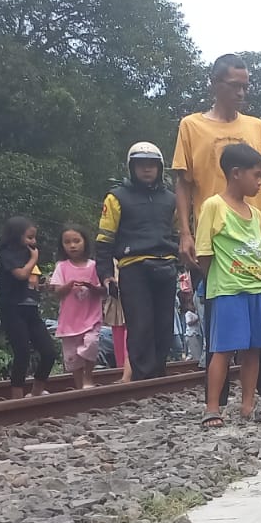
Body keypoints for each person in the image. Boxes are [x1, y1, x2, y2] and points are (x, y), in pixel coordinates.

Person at [173, 53, 261, 412]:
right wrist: (185, 233)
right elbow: (182, 181)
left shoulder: (256, 126)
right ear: (215, 83)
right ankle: (216, 399)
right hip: (215, 230)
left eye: (245, 86)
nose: (241, 93)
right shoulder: (191, 125)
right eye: (234, 86)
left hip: (258, 228)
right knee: (219, 313)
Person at [196, 143, 261, 426]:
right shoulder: (214, 206)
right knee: (224, 349)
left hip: (258, 288)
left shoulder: (255, 213)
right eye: (256, 175)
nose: (259, 182)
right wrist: (217, 279)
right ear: (236, 173)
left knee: (254, 348)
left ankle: (247, 405)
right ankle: (213, 407)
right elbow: (204, 252)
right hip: (229, 290)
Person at [96, 142, 181, 381]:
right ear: (131, 167)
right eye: (141, 164)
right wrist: (105, 273)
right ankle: (142, 378)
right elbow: (104, 238)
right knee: (140, 324)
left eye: (152, 165)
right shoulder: (116, 198)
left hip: (166, 265)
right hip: (134, 266)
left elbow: (178, 233)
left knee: (164, 325)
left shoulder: (171, 200)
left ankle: (157, 374)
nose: (147, 169)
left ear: (160, 168)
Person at [0, 216, 56, 398]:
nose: (34, 242)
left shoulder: (27, 255)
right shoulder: (8, 254)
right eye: (29, 237)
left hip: (31, 309)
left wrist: (44, 285)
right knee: (22, 352)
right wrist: (34, 259)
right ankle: (17, 397)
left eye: (34, 238)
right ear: (16, 236)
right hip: (13, 309)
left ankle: (36, 392)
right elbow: (21, 274)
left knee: (49, 352)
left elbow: (30, 282)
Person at [50, 224, 105, 391]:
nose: (72, 245)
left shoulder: (94, 266)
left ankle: (88, 377)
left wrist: (92, 287)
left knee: (91, 343)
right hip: (69, 320)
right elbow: (57, 291)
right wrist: (68, 285)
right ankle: (79, 385)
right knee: (72, 356)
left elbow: (103, 290)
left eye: (76, 241)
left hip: (91, 316)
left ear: (85, 242)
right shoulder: (62, 266)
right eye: (67, 242)